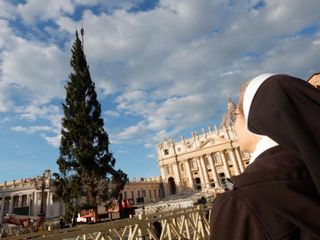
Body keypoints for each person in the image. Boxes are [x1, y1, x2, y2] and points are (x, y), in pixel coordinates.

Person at [210, 73, 320, 240]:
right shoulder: (309, 169)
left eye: (237, 116)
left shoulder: (238, 203)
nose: (234, 125)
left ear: (255, 121)